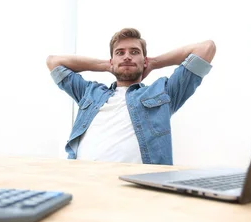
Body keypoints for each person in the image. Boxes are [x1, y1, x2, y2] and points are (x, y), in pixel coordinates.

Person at [46, 27, 216, 165]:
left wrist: (155, 63)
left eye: (134, 52)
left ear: (145, 60)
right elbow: (53, 62)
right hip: (84, 182)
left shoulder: (165, 92)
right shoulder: (89, 92)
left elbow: (206, 48)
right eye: (120, 53)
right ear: (112, 60)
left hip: (138, 191)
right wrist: (105, 65)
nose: (127, 56)